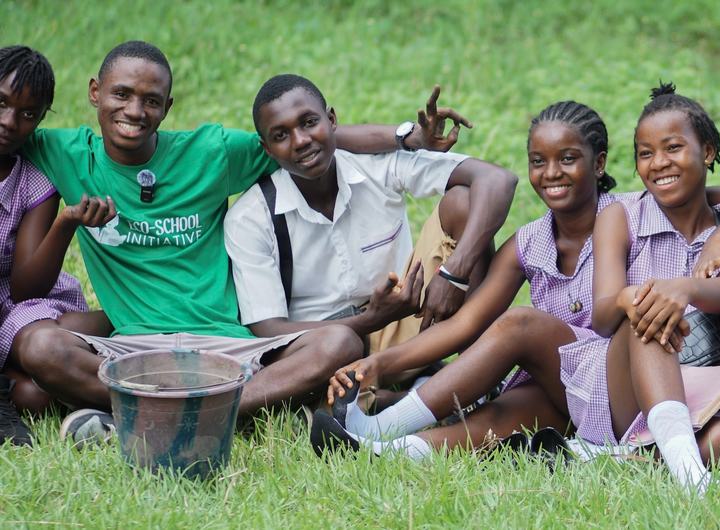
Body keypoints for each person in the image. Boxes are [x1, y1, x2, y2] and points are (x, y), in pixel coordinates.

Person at [9, 41, 462, 444]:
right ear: (95, 93)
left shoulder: (210, 153)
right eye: (121, 94)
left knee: (338, 344)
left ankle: (148, 419)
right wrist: (68, 221)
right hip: (136, 348)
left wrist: (406, 138)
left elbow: (305, 139)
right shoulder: (61, 151)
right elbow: (10, 123)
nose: (134, 110)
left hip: (229, 347)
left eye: (151, 100)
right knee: (40, 347)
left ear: (168, 106)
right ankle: (218, 417)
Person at [310, 100, 720, 462]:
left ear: (598, 164)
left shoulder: (636, 210)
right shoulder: (530, 243)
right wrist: (383, 363)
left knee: (523, 327)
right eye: (538, 161)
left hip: (629, 377)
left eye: (568, 159)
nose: (551, 174)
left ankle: (383, 425)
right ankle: (382, 447)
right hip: (563, 386)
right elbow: (468, 324)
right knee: (500, 417)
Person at [226, 74, 515, 392]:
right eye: (281, 135)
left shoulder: (375, 166)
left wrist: (454, 273)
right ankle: (399, 397)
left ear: (332, 119)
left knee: (463, 203)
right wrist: (370, 319)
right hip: (322, 351)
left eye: (309, 122)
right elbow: (269, 329)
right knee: (339, 344)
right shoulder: (251, 217)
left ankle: (477, 379)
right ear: (267, 149)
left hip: (406, 319)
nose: (300, 141)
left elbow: (497, 181)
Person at [581, 83, 720, 494]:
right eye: (645, 153)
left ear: (706, 151)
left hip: (707, 387)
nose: (658, 163)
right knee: (648, 312)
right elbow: (601, 316)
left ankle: (637, 460)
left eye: (673, 148)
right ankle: (690, 481)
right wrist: (632, 297)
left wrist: (689, 281)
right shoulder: (621, 215)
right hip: (628, 388)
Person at [0, 46, 117, 445]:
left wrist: (66, 222)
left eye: (28, 113)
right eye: (0, 102)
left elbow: (25, 289)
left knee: (113, 326)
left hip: (21, 307)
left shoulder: (32, 180)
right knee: (32, 395)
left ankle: (143, 336)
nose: (9, 121)